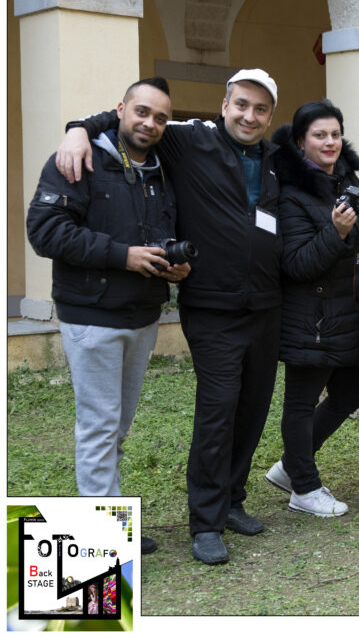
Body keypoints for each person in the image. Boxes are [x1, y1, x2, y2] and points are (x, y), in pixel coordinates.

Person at [56, 68, 284, 566]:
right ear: (223, 106)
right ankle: (203, 522)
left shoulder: (274, 157)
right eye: (241, 104)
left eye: (261, 109)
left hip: (263, 308)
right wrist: (77, 126)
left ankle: (231, 503)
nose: (249, 115)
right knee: (217, 413)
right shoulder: (187, 140)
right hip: (210, 308)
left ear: (270, 116)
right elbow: (134, 117)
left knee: (250, 414)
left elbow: (326, 162)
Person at [26, 77, 188, 557]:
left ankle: (109, 524)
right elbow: (45, 231)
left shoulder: (163, 167)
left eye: (160, 117)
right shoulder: (81, 160)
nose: (150, 123)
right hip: (91, 315)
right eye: (141, 112)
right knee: (99, 427)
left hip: (141, 316)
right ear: (120, 109)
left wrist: (173, 265)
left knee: (115, 427)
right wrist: (123, 256)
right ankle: (101, 546)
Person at [262, 99, 359, 517]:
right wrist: (336, 232)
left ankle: (292, 466)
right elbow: (297, 264)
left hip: (349, 313)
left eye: (335, 134)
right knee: (301, 401)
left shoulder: (345, 180)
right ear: (300, 142)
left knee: (349, 394)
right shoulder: (291, 195)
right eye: (319, 135)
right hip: (313, 317)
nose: (330, 142)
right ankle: (304, 487)